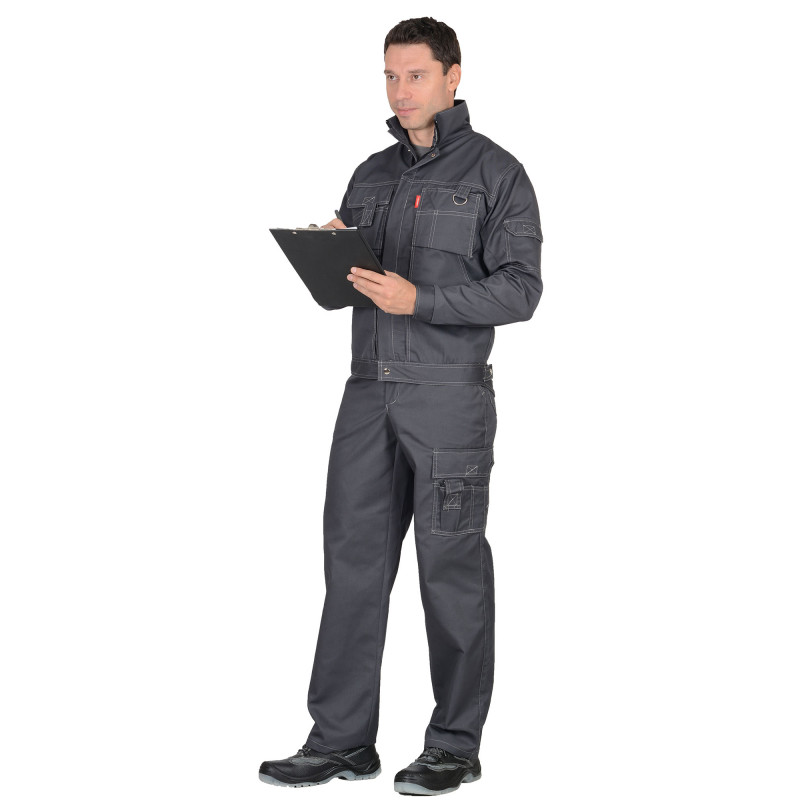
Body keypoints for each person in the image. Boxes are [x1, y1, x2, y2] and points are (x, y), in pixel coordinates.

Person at [259, 16, 543, 796]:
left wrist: (423, 299)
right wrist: (333, 254)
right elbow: (350, 289)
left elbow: (522, 290)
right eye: (390, 75)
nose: (400, 90)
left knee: (450, 570)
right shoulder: (371, 173)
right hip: (366, 392)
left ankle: (453, 744)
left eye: (415, 75)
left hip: (448, 399)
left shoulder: (498, 174)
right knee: (350, 566)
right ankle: (342, 739)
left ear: (453, 75)